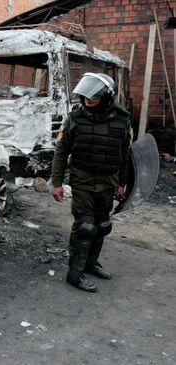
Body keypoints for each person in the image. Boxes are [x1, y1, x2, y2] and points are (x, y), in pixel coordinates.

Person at [50, 72, 133, 293]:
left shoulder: (123, 120)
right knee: (85, 226)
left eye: (94, 97)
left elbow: (125, 154)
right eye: (86, 96)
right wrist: (56, 182)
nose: (88, 100)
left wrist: (122, 183)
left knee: (102, 225)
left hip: (108, 181)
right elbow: (61, 151)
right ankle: (75, 274)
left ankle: (91, 263)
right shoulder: (76, 118)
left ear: (106, 97)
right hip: (83, 181)